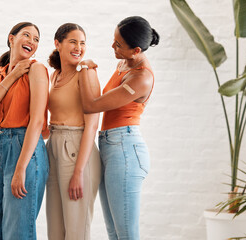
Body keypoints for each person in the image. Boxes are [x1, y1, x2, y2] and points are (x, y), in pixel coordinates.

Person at [78, 16, 159, 240]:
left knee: (126, 234)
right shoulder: (124, 63)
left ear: (135, 50)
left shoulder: (141, 78)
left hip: (125, 150)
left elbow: (90, 105)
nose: (112, 47)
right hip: (111, 147)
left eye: (118, 45)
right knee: (113, 231)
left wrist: (84, 68)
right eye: (114, 40)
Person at [0, 22, 49, 240]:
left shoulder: (36, 69)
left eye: (36, 39)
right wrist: (12, 76)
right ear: (11, 38)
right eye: (27, 35)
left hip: (25, 148)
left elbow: (36, 121)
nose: (32, 42)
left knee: (17, 232)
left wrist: (21, 168)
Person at [46, 23, 101, 240]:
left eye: (82, 43)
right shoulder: (55, 75)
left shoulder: (87, 74)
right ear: (57, 44)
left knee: (77, 230)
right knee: (56, 230)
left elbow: (93, 125)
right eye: (73, 42)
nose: (79, 47)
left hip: (77, 149)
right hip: (54, 146)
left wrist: (79, 172)